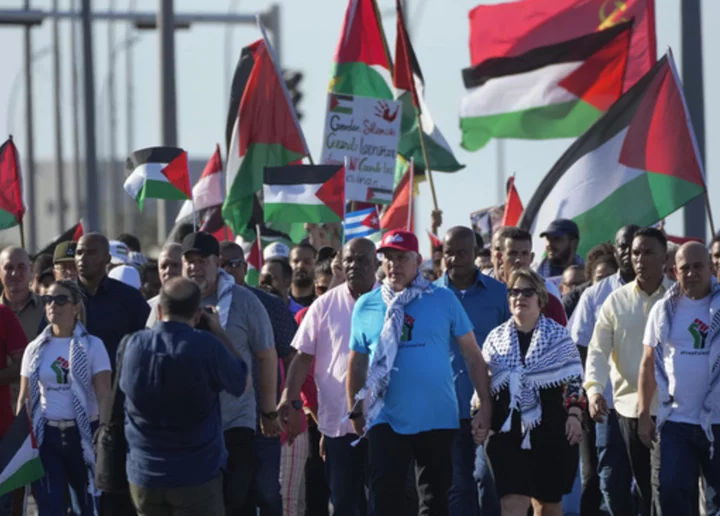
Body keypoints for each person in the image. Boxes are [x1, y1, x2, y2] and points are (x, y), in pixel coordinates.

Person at [346, 230, 492, 515]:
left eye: (401, 258)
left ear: (418, 260)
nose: (393, 265)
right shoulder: (367, 304)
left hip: (435, 415)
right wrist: (355, 409)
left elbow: (473, 355)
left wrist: (484, 403)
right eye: (387, 258)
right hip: (384, 416)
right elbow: (357, 361)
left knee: (435, 502)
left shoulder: (443, 299)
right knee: (386, 499)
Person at [147, 232, 280, 514]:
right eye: (188, 261)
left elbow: (266, 355)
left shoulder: (245, 301)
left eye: (201, 260)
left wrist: (268, 412)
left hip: (235, 420)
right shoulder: (167, 302)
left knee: (236, 498)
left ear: (216, 262)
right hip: (185, 427)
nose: (194, 267)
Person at [120, 277, 248, 515]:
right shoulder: (208, 346)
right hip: (196, 475)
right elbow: (241, 382)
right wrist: (219, 331)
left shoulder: (132, 344)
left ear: (158, 309)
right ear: (198, 314)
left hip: (144, 474)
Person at [278, 238, 379, 516]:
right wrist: (290, 397)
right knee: (344, 504)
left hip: (384, 423)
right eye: (349, 260)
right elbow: (302, 358)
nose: (354, 265)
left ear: (376, 264)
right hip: (338, 425)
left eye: (362, 260)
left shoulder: (392, 302)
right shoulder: (323, 305)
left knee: (384, 503)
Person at [477, 268, 585, 516]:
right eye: (514, 292)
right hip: (506, 432)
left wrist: (575, 415)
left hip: (552, 431)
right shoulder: (496, 339)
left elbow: (574, 381)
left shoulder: (559, 337)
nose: (520, 297)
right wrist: (479, 412)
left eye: (527, 291)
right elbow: (483, 384)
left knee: (547, 505)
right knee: (512, 502)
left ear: (541, 299)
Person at [585, 227, 673, 516]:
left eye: (648, 252)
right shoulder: (615, 301)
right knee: (630, 487)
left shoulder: (678, 298)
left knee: (667, 487)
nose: (640, 259)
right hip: (628, 411)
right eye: (636, 252)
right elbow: (597, 350)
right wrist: (595, 389)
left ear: (664, 257)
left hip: (673, 411)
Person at [639, 242, 720, 515]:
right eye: (685, 268)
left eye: (699, 267)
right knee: (671, 492)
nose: (692, 273)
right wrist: (642, 415)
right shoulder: (662, 311)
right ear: (675, 271)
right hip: (676, 422)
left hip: (717, 423)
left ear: (711, 267)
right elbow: (648, 363)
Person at [17, 280, 112, 515]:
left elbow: (104, 394)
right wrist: (22, 440)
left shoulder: (93, 345)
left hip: (84, 434)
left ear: (75, 307)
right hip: (47, 435)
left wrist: (102, 432)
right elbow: (24, 398)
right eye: (48, 300)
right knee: (50, 508)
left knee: (87, 507)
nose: (53, 305)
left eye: (60, 300)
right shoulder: (35, 348)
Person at [219, 241, 299, 516]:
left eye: (232, 264)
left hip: (264, 417)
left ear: (244, 267)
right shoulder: (199, 306)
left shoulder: (268, 305)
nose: (226, 270)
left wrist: (290, 402)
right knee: (231, 496)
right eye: (220, 264)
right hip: (221, 421)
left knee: (267, 493)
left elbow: (290, 357)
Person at [435, 226, 510, 516]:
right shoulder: (430, 296)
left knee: (487, 480)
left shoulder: (499, 294)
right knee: (457, 485)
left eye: (462, 252)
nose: (455, 258)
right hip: (446, 409)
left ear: (475, 254)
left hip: (490, 406)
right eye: (449, 252)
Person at [75, 233, 150, 515]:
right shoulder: (61, 299)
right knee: (80, 500)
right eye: (80, 253)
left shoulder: (128, 300)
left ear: (107, 259)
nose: (83, 259)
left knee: (120, 499)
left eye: (91, 253)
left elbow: (147, 346)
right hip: (72, 417)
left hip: (120, 417)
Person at [568, 225, 638, 516]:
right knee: (605, 478)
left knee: (650, 480)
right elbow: (579, 349)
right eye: (621, 246)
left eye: (632, 247)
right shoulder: (595, 295)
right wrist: (585, 398)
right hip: (606, 404)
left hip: (650, 405)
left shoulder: (666, 295)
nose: (626, 252)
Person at [494, 227, 567, 325]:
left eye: (524, 253)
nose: (518, 259)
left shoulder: (548, 290)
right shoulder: (489, 291)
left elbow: (561, 333)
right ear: (500, 257)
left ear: (531, 257)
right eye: (513, 253)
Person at [0, 246, 45, 341]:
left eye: (21, 267)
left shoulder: (49, 307)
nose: (15, 273)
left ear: (31, 269)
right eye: (9, 268)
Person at [289, 244, 317, 308]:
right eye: (296, 261)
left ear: (316, 266)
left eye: (307, 262)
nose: (300, 266)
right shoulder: (279, 301)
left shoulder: (322, 302)